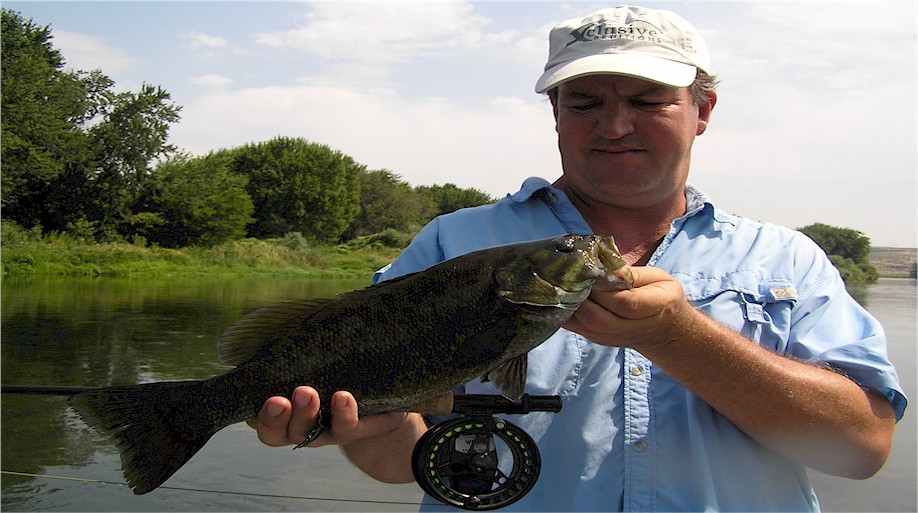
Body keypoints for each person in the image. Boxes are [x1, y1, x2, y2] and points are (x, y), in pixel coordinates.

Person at [248, 5, 906, 511]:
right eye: (585, 102)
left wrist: (678, 338)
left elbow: (861, 449)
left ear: (702, 111)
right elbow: (401, 456)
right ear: (555, 113)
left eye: (648, 101)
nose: (615, 125)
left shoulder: (786, 258)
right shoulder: (454, 244)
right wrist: (362, 428)